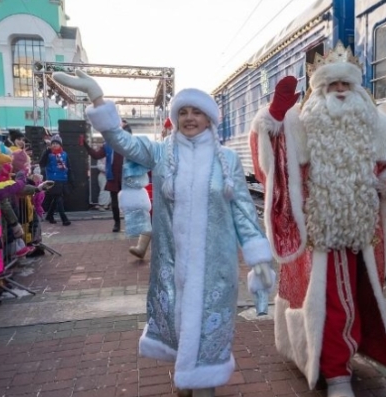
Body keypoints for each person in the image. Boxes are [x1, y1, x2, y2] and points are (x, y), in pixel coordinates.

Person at [53, 70, 275, 397]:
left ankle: (203, 386)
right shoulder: (162, 153)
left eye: (196, 111)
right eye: (182, 112)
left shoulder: (225, 160)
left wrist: (259, 259)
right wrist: (96, 96)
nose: (189, 118)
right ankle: (186, 376)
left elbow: (243, 211)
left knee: (209, 330)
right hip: (172, 263)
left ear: (209, 118)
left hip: (215, 267)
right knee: (178, 323)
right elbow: (121, 141)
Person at [248, 41, 386, 397]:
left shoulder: (372, 123)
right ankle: (337, 372)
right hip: (320, 231)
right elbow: (274, 166)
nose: (339, 92)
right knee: (334, 303)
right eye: (331, 85)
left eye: (346, 85)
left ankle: (341, 359)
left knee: (355, 299)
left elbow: (383, 168)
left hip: (362, 231)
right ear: (319, 90)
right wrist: (275, 117)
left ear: (356, 89)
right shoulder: (303, 123)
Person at [79, 122, 128, 232]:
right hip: (113, 177)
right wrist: (86, 145)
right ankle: (117, 223)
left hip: (125, 176)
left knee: (129, 202)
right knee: (115, 203)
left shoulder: (126, 143)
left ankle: (131, 224)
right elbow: (96, 155)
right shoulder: (107, 145)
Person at [39, 134, 72, 226]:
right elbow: (41, 163)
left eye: (56, 143)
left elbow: (69, 167)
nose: (54, 145)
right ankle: (64, 218)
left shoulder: (65, 154)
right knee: (58, 198)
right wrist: (47, 151)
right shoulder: (48, 154)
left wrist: (70, 178)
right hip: (52, 180)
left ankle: (49, 215)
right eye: (53, 143)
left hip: (63, 179)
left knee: (56, 198)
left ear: (60, 145)